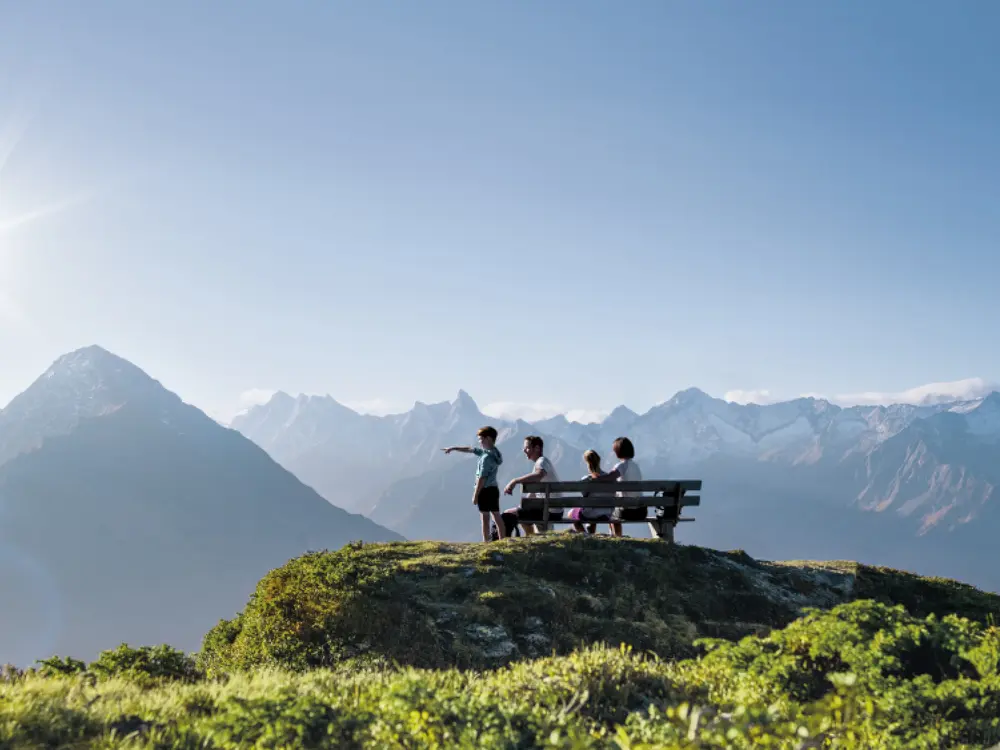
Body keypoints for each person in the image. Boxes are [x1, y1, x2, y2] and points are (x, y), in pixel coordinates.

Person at [442, 426, 505, 542]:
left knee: (485, 517)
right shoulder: (494, 453)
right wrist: (453, 448)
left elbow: (482, 478)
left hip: (484, 490)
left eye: (481, 439)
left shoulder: (486, 458)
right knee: (496, 515)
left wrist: (475, 495)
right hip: (493, 489)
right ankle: (503, 541)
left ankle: (486, 542)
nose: (479, 442)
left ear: (488, 439)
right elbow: (471, 449)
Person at [502, 435, 561, 535]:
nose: (524, 451)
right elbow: (533, 493)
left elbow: (539, 475)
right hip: (554, 511)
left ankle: (529, 539)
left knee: (507, 514)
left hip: (549, 512)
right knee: (516, 512)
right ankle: (531, 538)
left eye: (527, 448)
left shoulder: (541, 462)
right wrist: (521, 507)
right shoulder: (542, 463)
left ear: (537, 448)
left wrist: (515, 481)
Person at [587, 437, 642, 537]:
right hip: (640, 511)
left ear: (618, 451)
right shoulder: (636, 465)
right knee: (615, 510)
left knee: (611, 513)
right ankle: (615, 535)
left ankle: (616, 536)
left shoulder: (622, 465)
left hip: (627, 512)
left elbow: (611, 477)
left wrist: (597, 478)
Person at [567, 450, 612, 533]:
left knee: (571, 514)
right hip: (607, 513)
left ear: (587, 464)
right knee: (591, 510)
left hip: (592, 513)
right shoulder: (609, 477)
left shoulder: (586, 479)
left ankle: (585, 536)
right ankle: (591, 534)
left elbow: (585, 495)